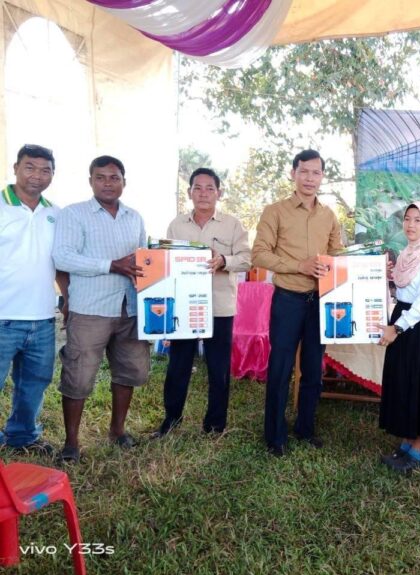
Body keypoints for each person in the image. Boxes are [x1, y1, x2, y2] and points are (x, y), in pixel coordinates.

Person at [53, 155, 150, 463]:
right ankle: (71, 442)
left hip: (129, 308)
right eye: (101, 177)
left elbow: (144, 260)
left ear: (124, 181)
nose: (108, 183)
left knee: (130, 371)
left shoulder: (134, 217)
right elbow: (62, 257)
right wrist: (110, 265)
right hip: (91, 309)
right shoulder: (74, 214)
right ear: (91, 181)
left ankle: (117, 430)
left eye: (114, 177)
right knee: (79, 375)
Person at [252, 149, 343, 456]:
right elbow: (259, 254)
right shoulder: (275, 211)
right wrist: (299, 266)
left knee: (314, 370)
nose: (309, 178)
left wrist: (368, 266)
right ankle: (275, 436)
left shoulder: (329, 216)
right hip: (288, 300)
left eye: (316, 173)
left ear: (322, 177)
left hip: (320, 302)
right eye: (304, 171)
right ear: (293, 173)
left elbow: (337, 256)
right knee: (280, 368)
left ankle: (305, 428)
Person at [151, 168, 251, 438]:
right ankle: (171, 420)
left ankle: (215, 425)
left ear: (219, 193)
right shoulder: (177, 225)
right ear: (190, 192)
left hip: (219, 306)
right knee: (178, 365)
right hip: (184, 306)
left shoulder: (233, 225)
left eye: (210, 188)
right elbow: (166, 261)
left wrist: (224, 260)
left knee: (218, 368)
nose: (203, 193)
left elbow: (247, 259)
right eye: (198, 187)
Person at [0, 144, 67, 455]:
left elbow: (60, 262)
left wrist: (67, 297)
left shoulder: (55, 213)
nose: (37, 175)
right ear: (16, 168)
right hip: (3, 315)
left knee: (34, 383)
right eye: (30, 167)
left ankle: (22, 436)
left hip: (41, 317)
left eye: (45, 170)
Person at [378, 202, 420, 474]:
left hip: (419, 326)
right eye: (407, 219)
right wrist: (387, 276)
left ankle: (418, 451)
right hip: (403, 320)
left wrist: (397, 328)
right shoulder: (407, 254)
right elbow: (403, 290)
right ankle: (406, 443)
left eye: (419, 220)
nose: (411, 225)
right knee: (403, 382)